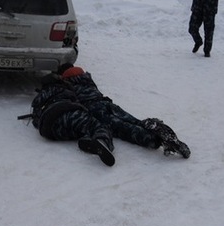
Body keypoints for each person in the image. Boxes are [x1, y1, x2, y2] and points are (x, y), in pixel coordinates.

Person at [57, 64, 191, 159]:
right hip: (106, 102)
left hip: (95, 109)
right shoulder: (85, 77)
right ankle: (151, 125)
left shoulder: (67, 83)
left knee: (122, 127)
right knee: (132, 120)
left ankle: (153, 140)